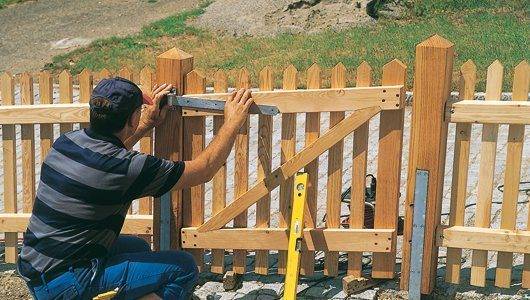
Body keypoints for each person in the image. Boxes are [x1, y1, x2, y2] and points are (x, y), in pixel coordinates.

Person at [17, 77, 254, 299]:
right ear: (131, 119)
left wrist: (147, 123)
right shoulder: (126, 168)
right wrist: (232, 121)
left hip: (36, 267)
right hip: (65, 283)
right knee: (183, 268)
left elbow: (110, 157)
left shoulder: (67, 143)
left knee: (138, 247)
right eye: (138, 112)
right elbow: (204, 169)